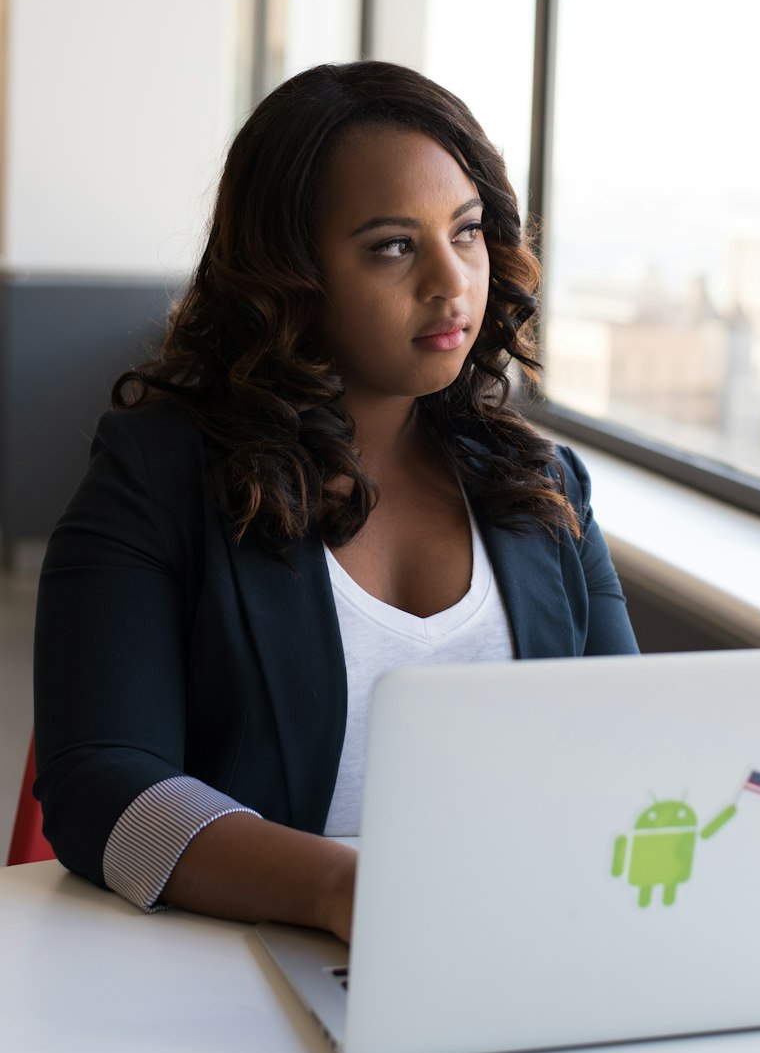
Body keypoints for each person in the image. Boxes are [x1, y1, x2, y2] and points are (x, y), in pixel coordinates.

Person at [33, 60, 637, 941]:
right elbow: (99, 787)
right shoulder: (157, 474)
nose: (451, 282)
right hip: (257, 965)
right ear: (289, 276)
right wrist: (342, 891)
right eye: (393, 245)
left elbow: (638, 747)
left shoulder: (545, 486)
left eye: (465, 233)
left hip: (518, 946)